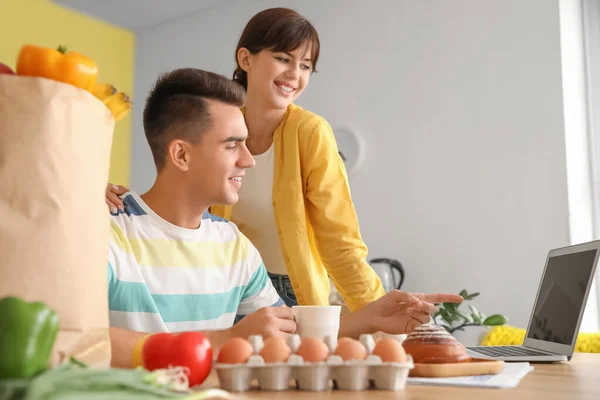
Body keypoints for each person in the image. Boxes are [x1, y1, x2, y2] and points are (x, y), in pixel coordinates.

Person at [108, 68, 463, 368]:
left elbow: (290, 330)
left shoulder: (234, 246)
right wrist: (224, 339)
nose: (248, 160)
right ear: (181, 154)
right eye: (232, 144)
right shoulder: (106, 232)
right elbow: (77, 340)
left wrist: (370, 318)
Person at [106, 8, 386, 312]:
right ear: (245, 59)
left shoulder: (310, 133)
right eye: (283, 58)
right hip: (222, 281)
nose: (295, 74)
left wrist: (382, 315)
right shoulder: (213, 123)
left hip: (293, 294)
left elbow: (340, 242)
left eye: (306, 65)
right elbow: (182, 189)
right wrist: (108, 198)